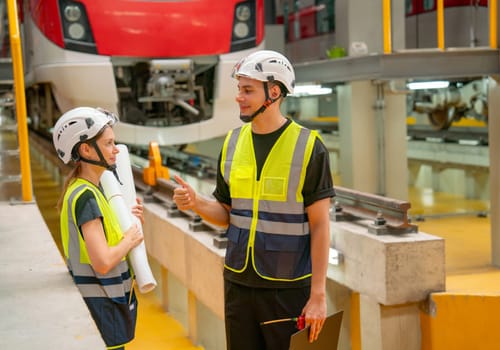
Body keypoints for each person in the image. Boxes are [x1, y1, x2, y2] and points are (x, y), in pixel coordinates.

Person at [172, 50, 335, 349]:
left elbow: (321, 226)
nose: (239, 97)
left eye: (248, 90)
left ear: (274, 92)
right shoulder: (233, 143)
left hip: (287, 289)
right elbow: (227, 213)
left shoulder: (309, 147)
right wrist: (196, 202)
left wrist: (318, 295)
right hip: (238, 284)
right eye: (239, 89)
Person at [53, 106, 144, 349]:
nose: (116, 150)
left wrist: (127, 219)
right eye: (108, 144)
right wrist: (130, 240)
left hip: (103, 305)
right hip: (103, 307)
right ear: (85, 149)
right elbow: (102, 261)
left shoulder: (88, 190)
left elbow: (105, 233)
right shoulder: (87, 197)